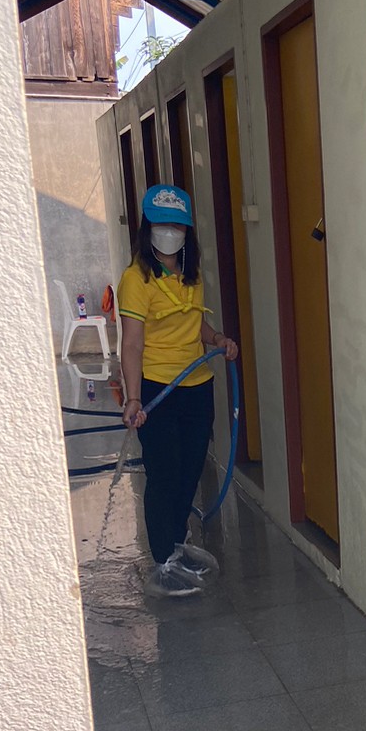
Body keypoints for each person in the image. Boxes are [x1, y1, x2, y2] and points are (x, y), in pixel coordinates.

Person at [117, 184, 238, 598]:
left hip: (196, 385)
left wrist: (217, 338)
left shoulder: (191, 274)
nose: (170, 232)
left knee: (190, 469)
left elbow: (192, 320)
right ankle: (163, 559)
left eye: (177, 225)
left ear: (187, 230)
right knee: (164, 472)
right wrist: (134, 398)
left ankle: (177, 543)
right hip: (157, 389)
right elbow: (132, 343)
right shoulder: (136, 279)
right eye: (162, 224)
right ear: (148, 227)